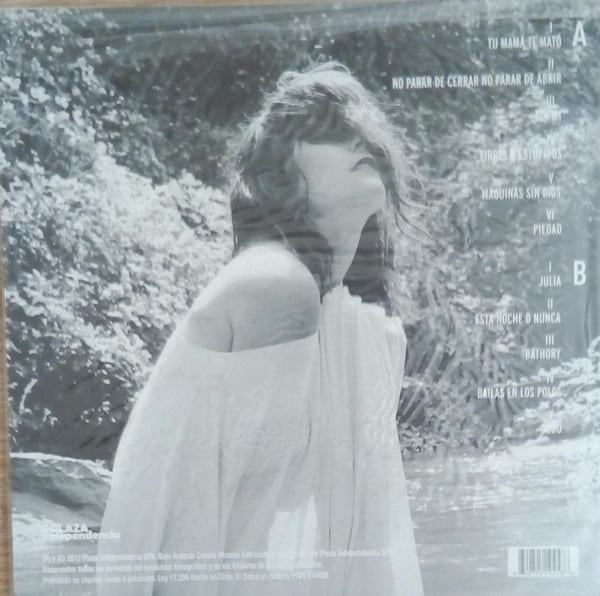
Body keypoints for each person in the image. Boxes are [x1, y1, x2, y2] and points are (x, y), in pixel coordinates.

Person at [98, 61, 424, 596]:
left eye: (359, 128)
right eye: (327, 131)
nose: (358, 141)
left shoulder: (327, 304)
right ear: (280, 177)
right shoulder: (278, 283)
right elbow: (225, 520)